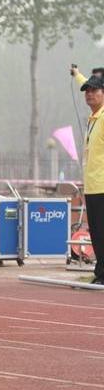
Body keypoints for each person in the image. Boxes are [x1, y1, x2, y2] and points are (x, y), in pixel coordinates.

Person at [80, 75, 104, 284]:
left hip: (102, 185)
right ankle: (100, 271)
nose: (89, 94)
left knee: (102, 230)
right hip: (93, 186)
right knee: (96, 231)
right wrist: (77, 74)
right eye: (87, 91)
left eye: (94, 90)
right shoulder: (93, 119)